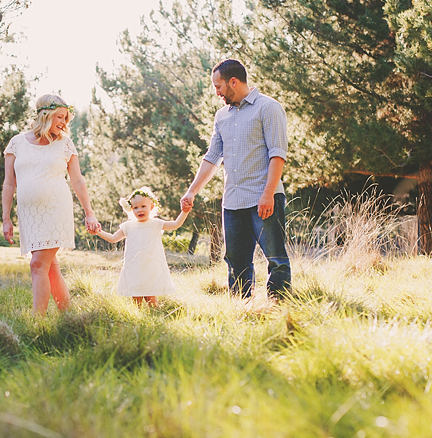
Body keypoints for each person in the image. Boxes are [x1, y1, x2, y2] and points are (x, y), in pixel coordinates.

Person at [180, 59, 291, 299]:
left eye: (218, 87)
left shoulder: (268, 108)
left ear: (233, 81)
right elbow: (212, 158)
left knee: (276, 258)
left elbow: (277, 154)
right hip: (232, 201)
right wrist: (192, 191)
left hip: (264, 197)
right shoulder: (221, 116)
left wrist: (268, 194)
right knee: (236, 261)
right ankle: (242, 308)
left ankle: (280, 307)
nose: (217, 92)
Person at [2, 94, 100, 313]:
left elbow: (77, 180)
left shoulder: (65, 144)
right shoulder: (16, 143)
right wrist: (6, 218)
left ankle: (39, 325)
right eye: (59, 117)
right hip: (29, 214)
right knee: (50, 268)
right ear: (44, 115)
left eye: (66, 118)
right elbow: (9, 183)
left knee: (37, 265)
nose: (63, 123)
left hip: (57, 210)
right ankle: (70, 319)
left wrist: (89, 212)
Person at [93, 187, 190, 307]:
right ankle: (137, 319)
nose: (140, 210)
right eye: (135, 207)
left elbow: (176, 224)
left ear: (151, 206)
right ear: (130, 209)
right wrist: (98, 232)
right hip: (134, 267)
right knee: (136, 297)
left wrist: (185, 211)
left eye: (143, 206)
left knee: (150, 297)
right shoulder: (128, 226)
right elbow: (113, 238)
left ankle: (156, 316)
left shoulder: (156, 223)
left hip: (150, 266)